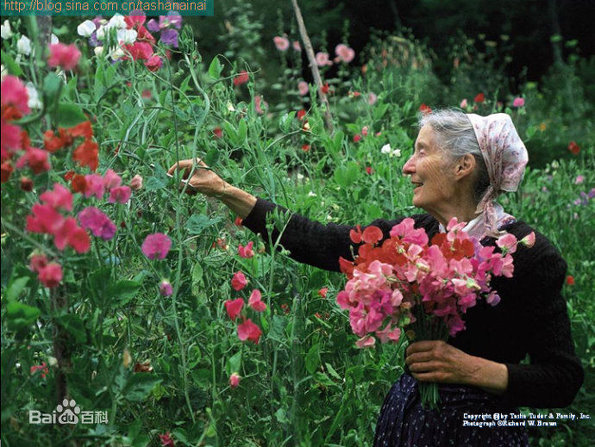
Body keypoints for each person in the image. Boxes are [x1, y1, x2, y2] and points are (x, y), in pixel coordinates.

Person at [168, 109, 583, 446]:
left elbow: (562, 380)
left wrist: (471, 369)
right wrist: (222, 189)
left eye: (421, 152)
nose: (407, 166)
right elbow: (317, 241)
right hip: (410, 422)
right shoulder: (413, 234)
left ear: (463, 165)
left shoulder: (527, 252)